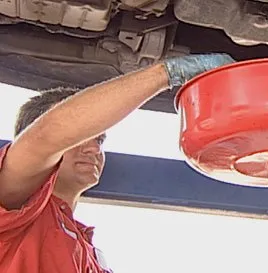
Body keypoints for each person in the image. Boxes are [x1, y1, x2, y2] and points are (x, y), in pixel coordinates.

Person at [0, 53, 235, 272]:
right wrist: (167, 73)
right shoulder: (14, 211)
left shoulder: (86, 248)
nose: (94, 148)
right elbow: (46, 136)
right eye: (79, 139)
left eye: (99, 140)